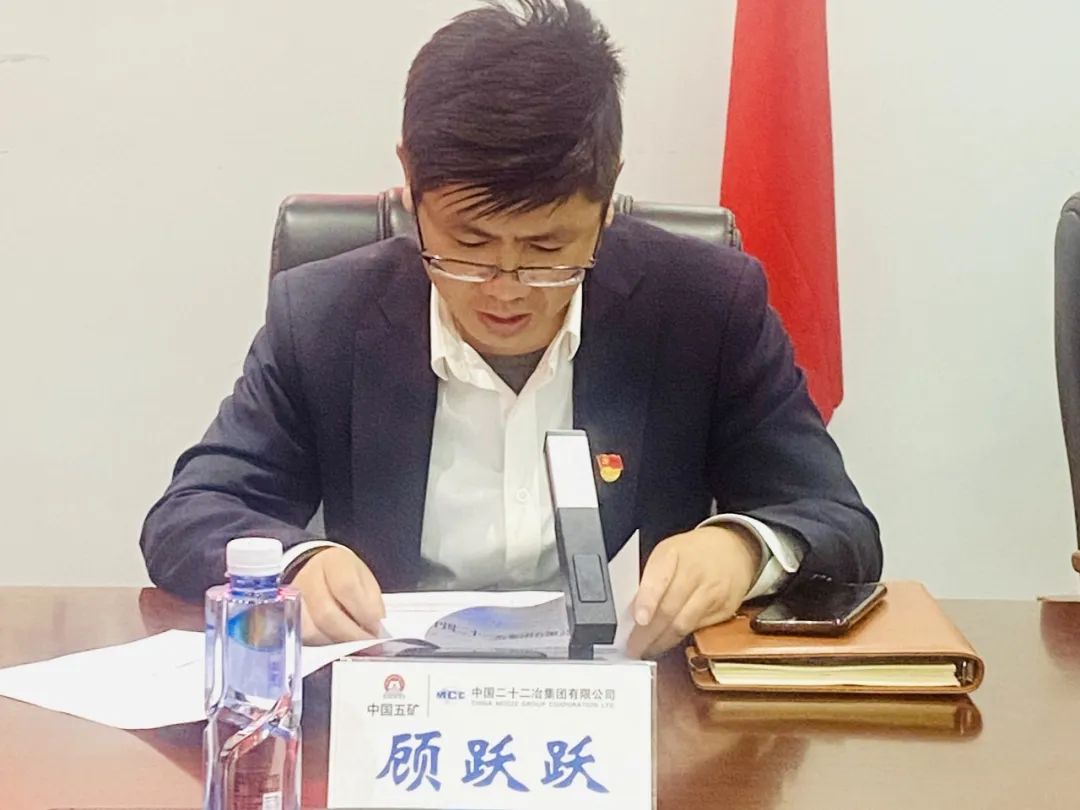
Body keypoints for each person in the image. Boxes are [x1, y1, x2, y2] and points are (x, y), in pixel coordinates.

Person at [140, 0, 881, 658]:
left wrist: (741, 549)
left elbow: (837, 521)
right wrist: (298, 563)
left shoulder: (703, 308)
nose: (505, 287)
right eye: (467, 244)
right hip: (397, 702)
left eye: (547, 249)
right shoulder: (326, 317)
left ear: (607, 196)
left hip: (633, 712)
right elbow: (189, 514)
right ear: (410, 181)